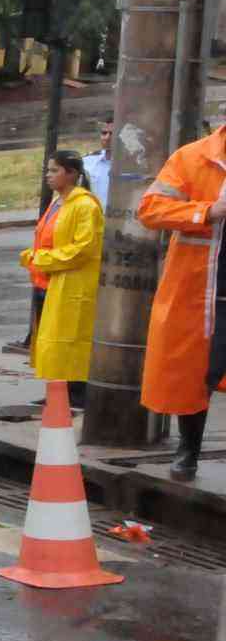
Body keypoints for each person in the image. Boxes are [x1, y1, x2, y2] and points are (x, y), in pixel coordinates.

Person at [137, 125, 226, 481]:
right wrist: (206, 212)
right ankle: (188, 449)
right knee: (195, 373)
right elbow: (150, 209)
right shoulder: (192, 157)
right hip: (198, 288)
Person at [21, 151, 104, 409]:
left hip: (71, 283)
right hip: (48, 281)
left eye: (54, 170)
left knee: (71, 339)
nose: (48, 175)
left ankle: (76, 392)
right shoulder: (59, 201)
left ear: (71, 173)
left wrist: (42, 259)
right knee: (52, 340)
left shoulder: (85, 205)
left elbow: (83, 248)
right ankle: (58, 390)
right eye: (48, 170)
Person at [83, 119, 113, 210]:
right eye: (104, 133)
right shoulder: (87, 162)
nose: (107, 138)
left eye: (112, 133)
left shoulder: (133, 165)